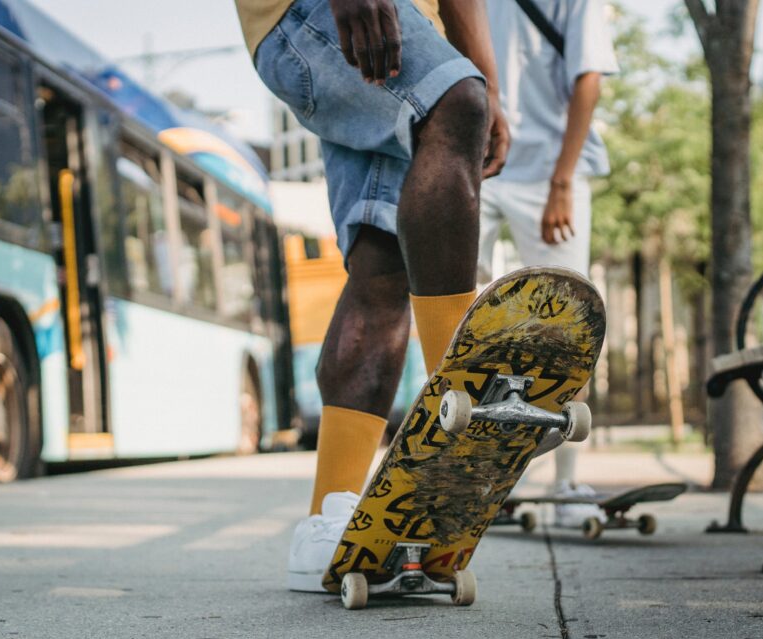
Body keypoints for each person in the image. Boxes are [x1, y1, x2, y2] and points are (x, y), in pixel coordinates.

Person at [234, 0, 510, 592]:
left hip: (402, 20)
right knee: (454, 100)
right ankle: (458, 410)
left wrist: (488, 88)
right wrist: (475, 95)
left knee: (380, 264)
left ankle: (327, 523)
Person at [477, 0, 617, 527]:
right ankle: (476, 474)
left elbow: (589, 81)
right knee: (463, 324)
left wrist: (562, 181)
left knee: (566, 328)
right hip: (482, 167)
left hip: (550, 174)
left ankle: (565, 481)